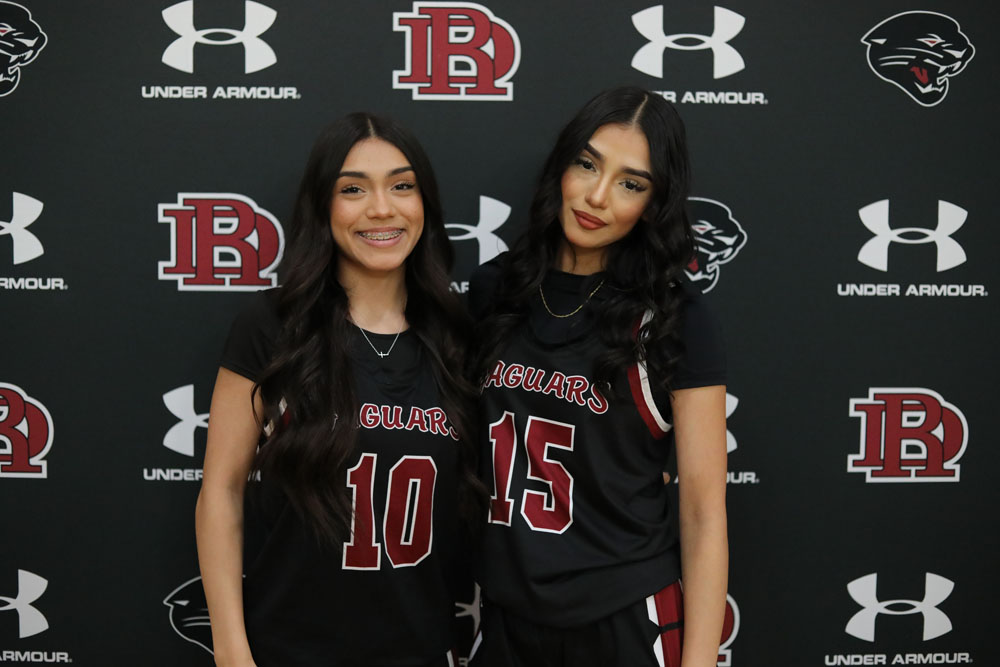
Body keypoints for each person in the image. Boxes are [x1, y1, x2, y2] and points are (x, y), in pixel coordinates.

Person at [195, 112, 484, 667]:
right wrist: (231, 650)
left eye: (402, 186)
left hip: (421, 650)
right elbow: (221, 491)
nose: (382, 208)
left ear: (425, 204)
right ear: (323, 207)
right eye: (353, 189)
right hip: (289, 649)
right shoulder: (273, 325)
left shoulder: (457, 336)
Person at [469, 87, 729, 667]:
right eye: (587, 164)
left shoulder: (674, 316)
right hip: (510, 614)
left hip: (625, 616)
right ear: (561, 165)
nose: (597, 196)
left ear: (654, 202)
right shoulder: (494, 290)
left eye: (631, 183)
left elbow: (704, 512)